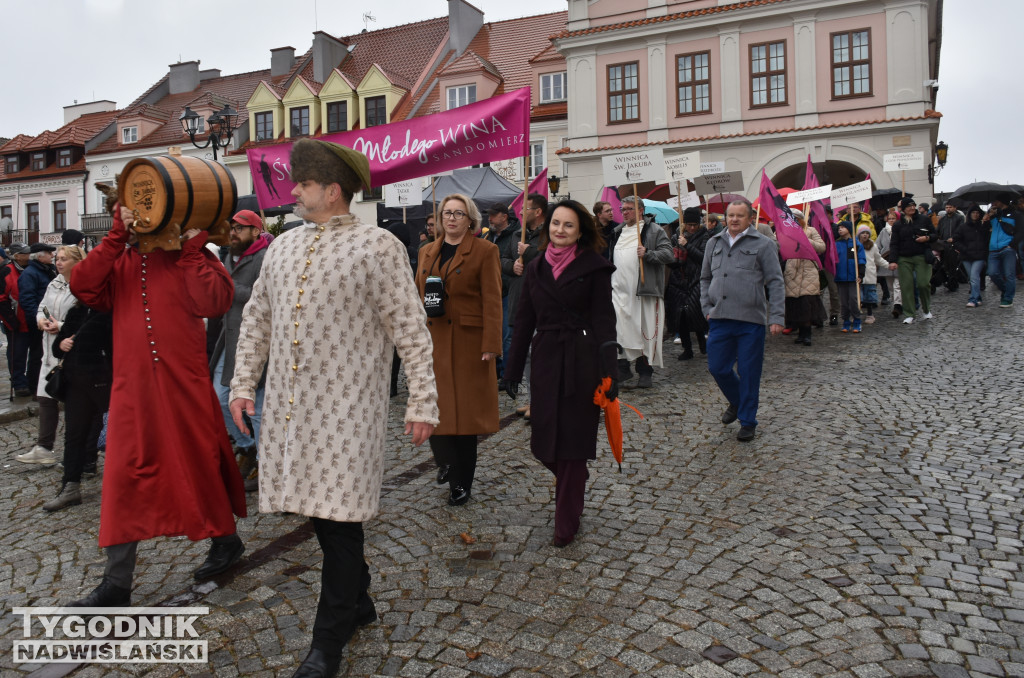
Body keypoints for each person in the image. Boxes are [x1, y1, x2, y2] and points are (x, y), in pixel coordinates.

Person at [230, 138, 438, 678]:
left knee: (340, 520)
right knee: (323, 517)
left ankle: (328, 642)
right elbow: (257, 320)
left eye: (303, 183)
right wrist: (242, 385)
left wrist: (423, 400)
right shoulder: (281, 247)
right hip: (294, 413)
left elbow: (411, 329)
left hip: (350, 412)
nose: (293, 191)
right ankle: (359, 599)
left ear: (333, 189)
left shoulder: (378, 246)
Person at [66, 204, 247, 608]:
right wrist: (116, 236)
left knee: (199, 463)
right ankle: (116, 583)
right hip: (133, 391)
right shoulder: (121, 258)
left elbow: (215, 301)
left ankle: (226, 539)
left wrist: (191, 250)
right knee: (122, 477)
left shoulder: (193, 256)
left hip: (185, 384)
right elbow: (83, 286)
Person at [502, 200, 616, 547]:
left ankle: (566, 521)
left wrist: (609, 372)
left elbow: (604, 321)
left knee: (572, 443)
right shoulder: (535, 268)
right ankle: (575, 478)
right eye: (555, 224)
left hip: (582, 362)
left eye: (568, 225)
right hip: (547, 360)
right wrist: (511, 370)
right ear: (547, 226)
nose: (560, 230)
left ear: (580, 230)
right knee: (544, 443)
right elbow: (523, 322)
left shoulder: (594, 267)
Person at [416, 193, 502, 506]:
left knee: (465, 420)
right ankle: (445, 462)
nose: (452, 219)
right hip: (434, 341)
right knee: (436, 410)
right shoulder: (427, 251)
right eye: (447, 213)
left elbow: (492, 299)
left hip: (468, 343)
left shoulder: (485, 250)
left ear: (470, 220)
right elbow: (417, 295)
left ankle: (461, 483)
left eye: (458, 214)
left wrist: (491, 344)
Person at [700, 200, 784, 442]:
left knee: (749, 372)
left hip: (750, 320)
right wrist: (706, 306)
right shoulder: (713, 243)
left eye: (740, 216)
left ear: (750, 218)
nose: (734, 220)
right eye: (731, 215)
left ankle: (748, 421)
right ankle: (737, 401)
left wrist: (776, 316)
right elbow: (705, 278)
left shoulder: (764, 244)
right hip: (719, 318)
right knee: (717, 367)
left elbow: (776, 282)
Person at [210, 209, 270, 492]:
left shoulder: (265, 258)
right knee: (219, 397)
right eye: (232, 227)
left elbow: (263, 298)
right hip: (228, 339)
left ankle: (266, 465)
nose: (233, 232)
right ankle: (246, 447)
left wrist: (226, 284)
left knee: (256, 410)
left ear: (255, 231)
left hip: (256, 343)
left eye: (240, 228)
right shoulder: (227, 256)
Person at [43, 284, 112, 511]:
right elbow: (57, 348)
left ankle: (125, 488)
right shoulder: (76, 312)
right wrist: (62, 344)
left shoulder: (112, 312)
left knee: (113, 436)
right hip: (76, 383)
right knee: (74, 436)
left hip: (105, 382)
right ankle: (70, 486)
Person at [17, 246, 85, 467]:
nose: (59, 262)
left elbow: (86, 320)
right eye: (57, 258)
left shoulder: (83, 286)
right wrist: (41, 320)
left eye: (64, 259)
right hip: (49, 350)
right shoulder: (54, 282)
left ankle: (79, 453)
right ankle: (44, 448)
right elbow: (42, 307)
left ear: (77, 261)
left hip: (71, 350)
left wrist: (62, 326)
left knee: (75, 403)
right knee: (46, 399)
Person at [608, 196, 673, 388]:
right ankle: (623, 368)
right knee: (620, 331)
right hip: (620, 292)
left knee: (645, 332)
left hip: (644, 291)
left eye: (629, 209)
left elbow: (669, 254)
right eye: (623, 209)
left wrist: (649, 254)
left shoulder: (655, 230)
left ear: (640, 210)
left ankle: (645, 372)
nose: (625, 212)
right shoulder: (617, 232)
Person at [503, 193, 546, 419]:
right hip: (519, 298)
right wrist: (512, 267)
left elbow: (549, 259)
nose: (519, 213)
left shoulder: (548, 234)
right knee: (527, 354)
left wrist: (527, 253)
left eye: (524, 209)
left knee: (539, 353)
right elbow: (502, 259)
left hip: (540, 301)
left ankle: (541, 401)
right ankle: (532, 400)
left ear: (537, 212)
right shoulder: (517, 234)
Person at [887, 197, 937, 324]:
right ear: (903, 209)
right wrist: (893, 260)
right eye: (909, 206)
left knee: (923, 284)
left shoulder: (924, 219)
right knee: (906, 286)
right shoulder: (898, 225)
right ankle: (909, 313)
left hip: (921, 256)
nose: (912, 208)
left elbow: (935, 235)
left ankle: (926, 310)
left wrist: (926, 238)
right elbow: (894, 244)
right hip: (904, 258)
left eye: (914, 205)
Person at [485, 202, 519, 378]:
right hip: (490, 292)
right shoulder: (488, 237)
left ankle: (507, 374)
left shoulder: (515, 235)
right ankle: (496, 370)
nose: (489, 218)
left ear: (504, 217)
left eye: (493, 214)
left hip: (506, 291)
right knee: (493, 333)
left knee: (506, 335)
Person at [782, 210, 826, 346]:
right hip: (792, 269)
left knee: (806, 303)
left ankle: (807, 334)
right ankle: (800, 333)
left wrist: (806, 240)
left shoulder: (811, 230)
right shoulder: (785, 231)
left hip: (808, 270)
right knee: (795, 304)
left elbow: (821, 247)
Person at [19, 242, 57, 393]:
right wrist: (40, 318)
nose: (52, 256)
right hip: (38, 321)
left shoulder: (47, 270)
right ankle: (35, 386)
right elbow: (28, 300)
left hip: (48, 319)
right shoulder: (30, 273)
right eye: (49, 253)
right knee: (37, 354)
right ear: (40, 256)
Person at [674, 207, 710, 359]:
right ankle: (687, 348)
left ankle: (703, 344)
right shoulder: (677, 235)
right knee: (681, 316)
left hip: (697, 278)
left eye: (695, 224)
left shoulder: (705, 236)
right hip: (680, 280)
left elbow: (703, 257)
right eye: (689, 224)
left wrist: (687, 245)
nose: (692, 228)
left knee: (697, 314)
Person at [0, 243, 31, 396]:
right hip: (15, 322)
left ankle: (32, 381)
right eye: (26, 253)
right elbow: (1, 299)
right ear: (16, 256)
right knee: (17, 354)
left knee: (35, 354)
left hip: (33, 319)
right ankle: (19, 383)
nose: (29, 255)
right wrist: (11, 321)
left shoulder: (32, 269)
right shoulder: (6, 271)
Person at [983, 195, 1022, 308]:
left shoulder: (1015, 215)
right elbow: (984, 230)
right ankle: (1005, 290)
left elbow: (1020, 231)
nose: (993, 203)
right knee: (992, 273)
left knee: (1009, 274)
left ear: (1002, 202)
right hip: (993, 249)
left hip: (1007, 248)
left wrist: (1012, 245)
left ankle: (1008, 298)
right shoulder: (993, 215)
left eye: (996, 200)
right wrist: (986, 219)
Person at [953, 204, 990, 307]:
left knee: (974, 277)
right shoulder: (963, 227)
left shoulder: (983, 226)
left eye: (977, 213)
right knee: (972, 278)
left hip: (979, 256)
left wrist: (986, 222)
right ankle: (978, 297)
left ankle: (973, 299)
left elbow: (987, 239)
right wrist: (965, 249)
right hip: (966, 256)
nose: (975, 215)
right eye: (973, 212)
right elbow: (956, 240)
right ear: (969, 214)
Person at [834, 221, 865, 333]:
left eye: (843, 227)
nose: (840, 229)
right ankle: (846, 320)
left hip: (853, 277)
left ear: (849, 229)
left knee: (853, 299)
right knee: (843, 302)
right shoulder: (836, 244)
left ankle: (857, 320)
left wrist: (861, 274)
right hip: (840, 277)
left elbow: (861, 259)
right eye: (839, 228)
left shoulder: (856, 244)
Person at [858, 225, 889, 324]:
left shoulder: (872, 246)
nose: (865, 235)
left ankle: (870, 314)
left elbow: (878, 259)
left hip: (869, 274)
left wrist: (888, 265)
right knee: (859, 296)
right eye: (863, 233)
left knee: (869, 296)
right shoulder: (854, 246)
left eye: (867, 233)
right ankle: (856, 314)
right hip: (858, 274)